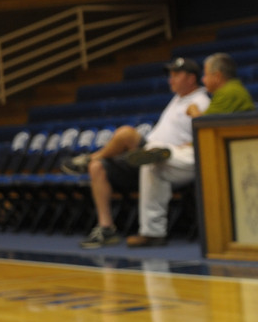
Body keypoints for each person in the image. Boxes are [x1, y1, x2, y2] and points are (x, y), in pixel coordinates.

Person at [79, 57, 210, 249]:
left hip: (170, 158)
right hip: (149, 155)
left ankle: (88, 157)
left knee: (127, 135)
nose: (170, 79)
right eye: (170, 75)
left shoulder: (200, 101)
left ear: (191, 78)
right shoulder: (177, 99)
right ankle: (106, 227)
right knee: (97, 167)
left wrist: (185, 145)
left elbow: (203, 134)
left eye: (176, 75)